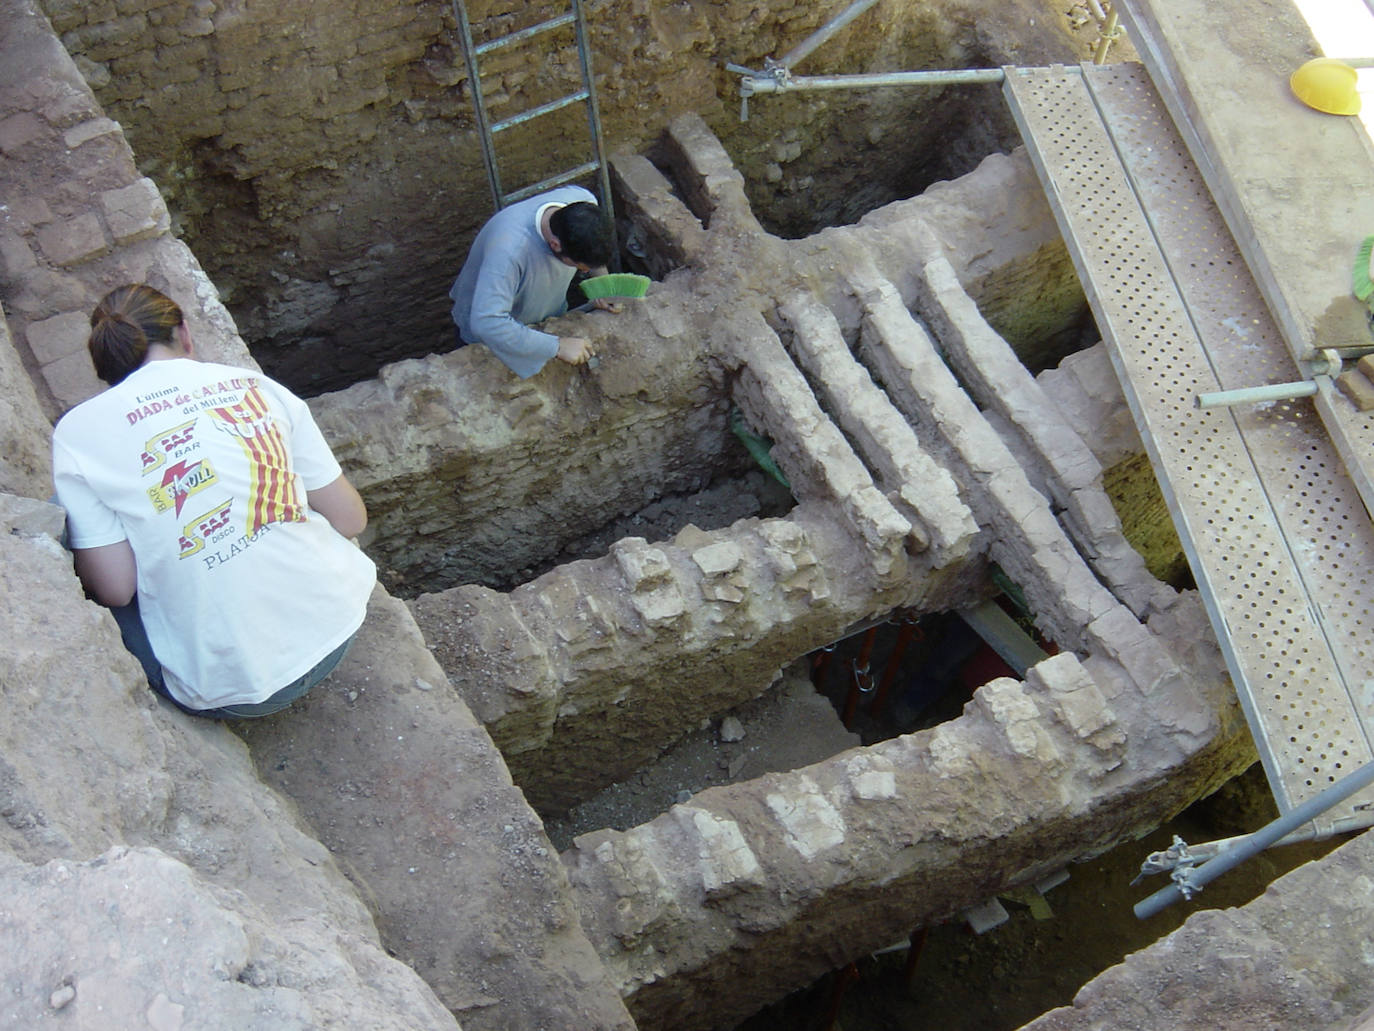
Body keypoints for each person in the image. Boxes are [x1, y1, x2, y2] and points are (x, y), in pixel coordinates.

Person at [51, 284, 377, 719]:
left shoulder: (78, 433)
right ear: (184, 333)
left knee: (68, 518)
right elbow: (350, 519)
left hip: (235, 693)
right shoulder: (254, 385)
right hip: (339, 625)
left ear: (106, 361)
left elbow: (116, 589)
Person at [448, 184, 618, 378]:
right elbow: (487, 322)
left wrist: (602, 284)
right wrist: (557, 346)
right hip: (492, 334)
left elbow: (591, 253)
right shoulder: (510, 252)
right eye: (581, 267)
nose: (585, 272)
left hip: (542, 314)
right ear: (555, 245)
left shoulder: (583, 202)